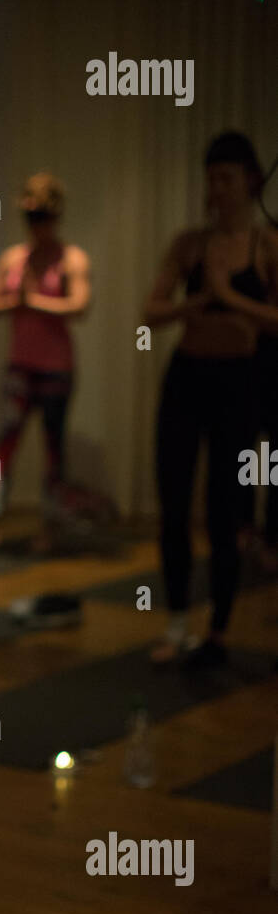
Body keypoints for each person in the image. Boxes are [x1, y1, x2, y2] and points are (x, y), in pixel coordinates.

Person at [143, 132, 278, 666]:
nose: (216, 189)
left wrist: (228, 297)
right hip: (187, 379)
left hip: (239, 384)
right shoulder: (189, 244)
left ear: (251, 180)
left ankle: (218, 630)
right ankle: (177, 622)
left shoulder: (266, 245)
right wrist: (197, 301)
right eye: (211, 178)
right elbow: (151, 311)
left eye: (226, 178)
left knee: (225, 513)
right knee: (173, 507)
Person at [0, 173, 91, 562]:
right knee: (2, 449)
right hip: (20, 367)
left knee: (54, 451)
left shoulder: (71, 258)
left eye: (44, 216)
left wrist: (33, 302)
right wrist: (17, 301)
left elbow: (80, 305)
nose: (38, 224)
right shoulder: (14, 258)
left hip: (56, 369)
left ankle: (49, 528)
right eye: (31, 216)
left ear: (57, 215)